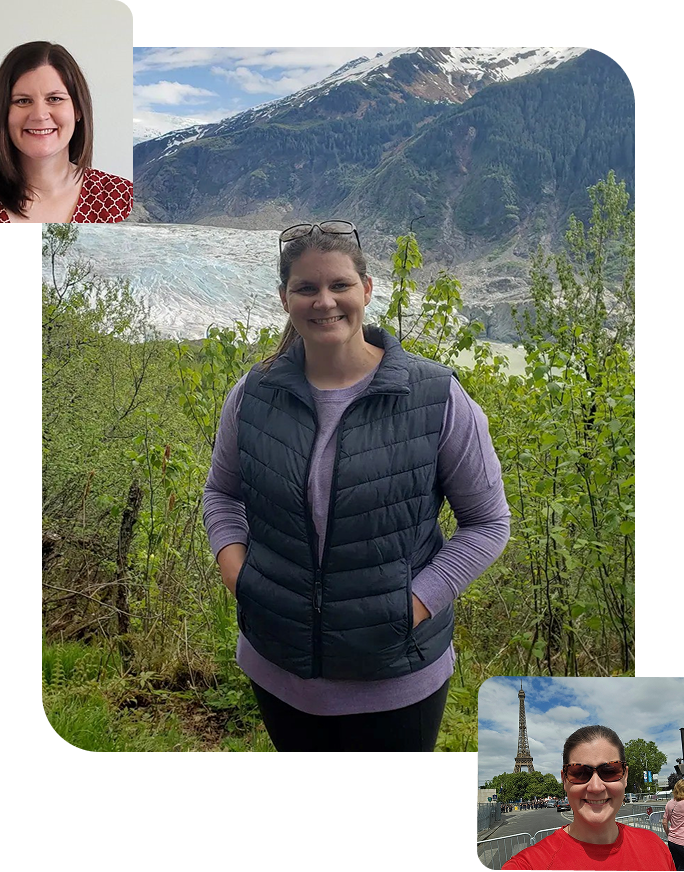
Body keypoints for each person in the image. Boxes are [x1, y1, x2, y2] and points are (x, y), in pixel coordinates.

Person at [201, 220, 511, 752]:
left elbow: (487, 524)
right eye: (306, 287)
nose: (324, 301)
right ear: (285, 299)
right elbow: (222, 494)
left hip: (396, 676)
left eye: (339, 285)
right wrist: (240, 577)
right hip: (277, 666)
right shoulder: (253, 394)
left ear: (366, 290)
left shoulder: (434, 397)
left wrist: (412, 606)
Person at [0, 41, 132, 223]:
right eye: (23, 101)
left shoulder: (120, 198)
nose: (39, 115)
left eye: (54, 98)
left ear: (78, 109)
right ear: (3, 112)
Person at [502, 725, 676, 869]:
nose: (596, 787)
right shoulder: (527, 865)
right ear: (564, 780)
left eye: (610, 771)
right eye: (580, 773)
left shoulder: (656, 846)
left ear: (625, 776)